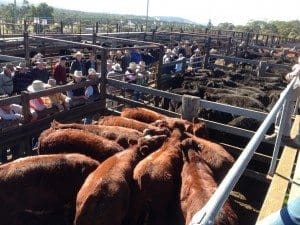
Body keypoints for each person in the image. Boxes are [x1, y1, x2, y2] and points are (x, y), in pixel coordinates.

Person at [266, 56, 300, 148]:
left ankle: (285, 136)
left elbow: (290, 76)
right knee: (283, 108)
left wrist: (290, 74)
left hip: (293, 89)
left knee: (286, 108)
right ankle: (278, 132)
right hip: (292, 90)